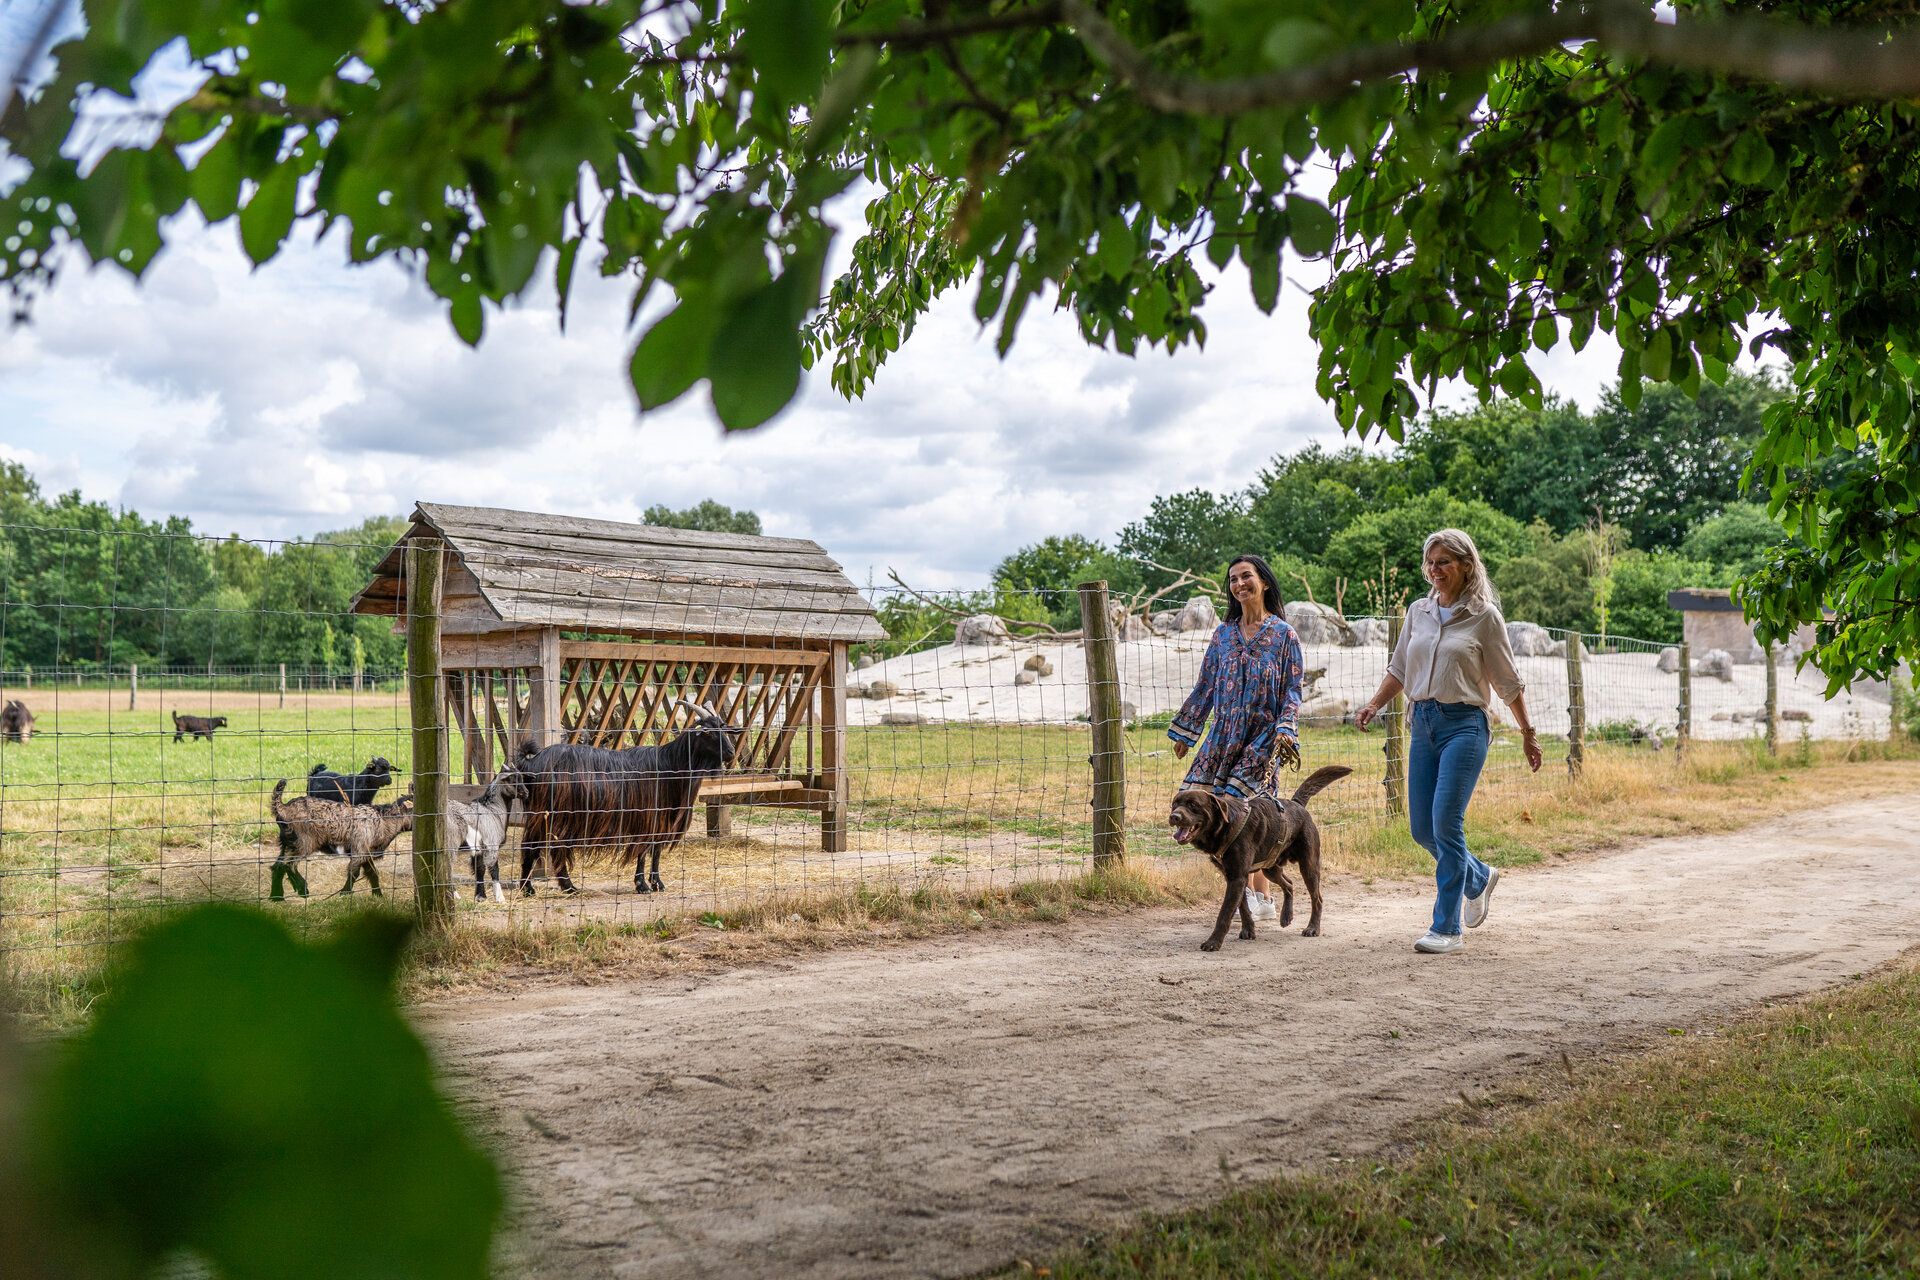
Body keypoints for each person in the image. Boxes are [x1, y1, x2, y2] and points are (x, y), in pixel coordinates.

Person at [1356, 528, 1543, 954]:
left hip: (1465, 726)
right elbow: (1400, 668)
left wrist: (1528, 734)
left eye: (1444, 562)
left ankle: (1446, 928)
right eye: (1431, 562)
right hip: (1421, 724)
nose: (1435, 570)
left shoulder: (1485, 617)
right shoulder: (1418, 612)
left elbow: (1508, 683)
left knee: (1445, 823)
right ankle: (1478, 877)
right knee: (1422, 829)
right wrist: (1373, 704)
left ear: (1466, 565)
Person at [1169, 554, 1305, 922]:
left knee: (1243, 814)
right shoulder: (1223, 634)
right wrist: (1188, 731)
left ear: (1263, 582)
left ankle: (1260, 895)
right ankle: (1247, 893)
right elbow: (1207, 686)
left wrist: (1285, 730)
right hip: (1222, 736)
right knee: (1206, 811)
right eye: (1233, 579)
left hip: (1262, 738)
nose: (1239, 584)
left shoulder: (1283, 635)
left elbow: (1293, 689)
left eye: (1246, 576)